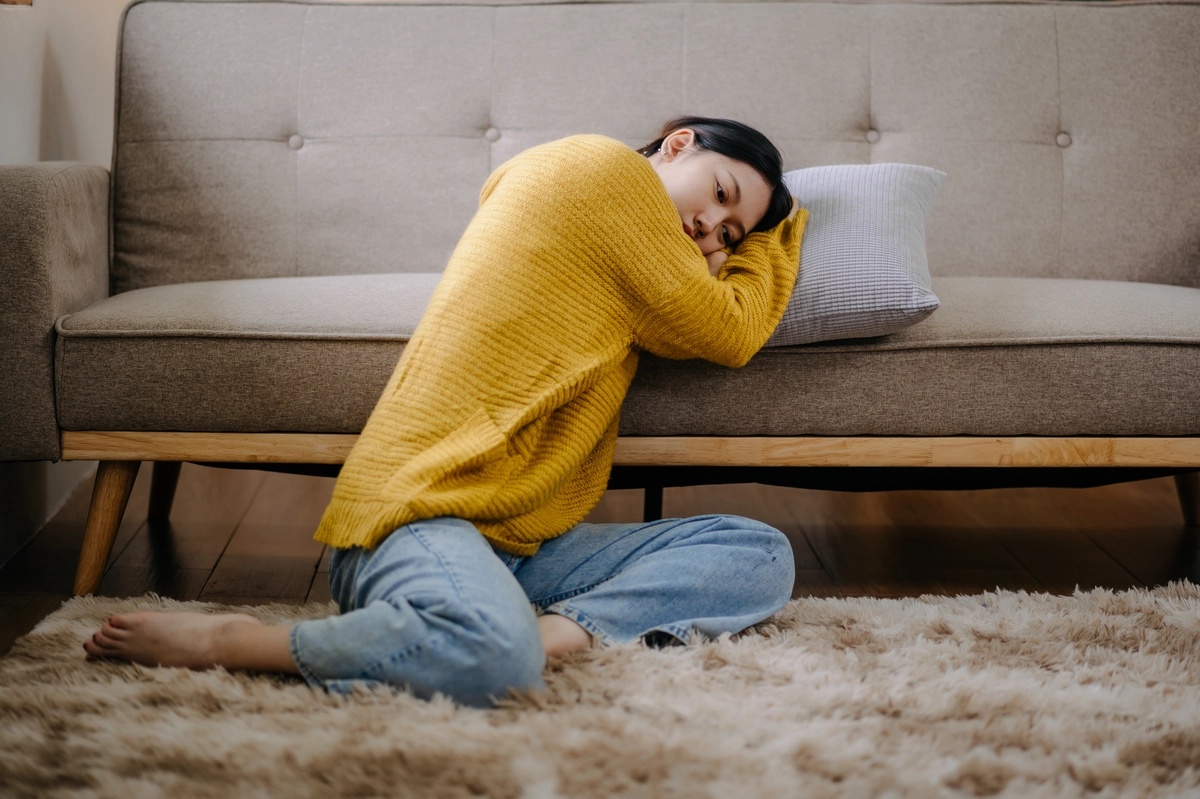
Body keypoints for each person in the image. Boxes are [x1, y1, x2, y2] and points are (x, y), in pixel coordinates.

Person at [83, 117, 809, 707]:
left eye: (731, 234)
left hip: (516, 543)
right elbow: (733, 328)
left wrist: (742, 239)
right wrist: (786, 228)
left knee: (761, 553)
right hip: (418, 517)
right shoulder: (604, 173)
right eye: (718, 194)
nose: (710, 228)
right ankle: (237, 642)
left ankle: (551, 634)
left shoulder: (646, 251)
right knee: (496, 661)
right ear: (677, 142)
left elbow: (720, 316)